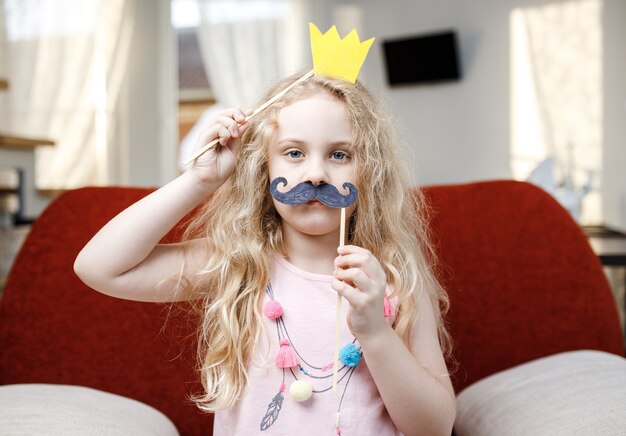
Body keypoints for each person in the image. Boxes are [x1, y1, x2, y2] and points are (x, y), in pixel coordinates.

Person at [74, 72, 456, 435]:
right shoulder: (238, 265)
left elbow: (435, 428)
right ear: (262, 167)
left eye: (340, 155)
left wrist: (375, 332)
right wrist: (199, 181)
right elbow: (99, 268)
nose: (316, 174)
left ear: (371, 171)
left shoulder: (395, 281)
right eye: (294, 153)